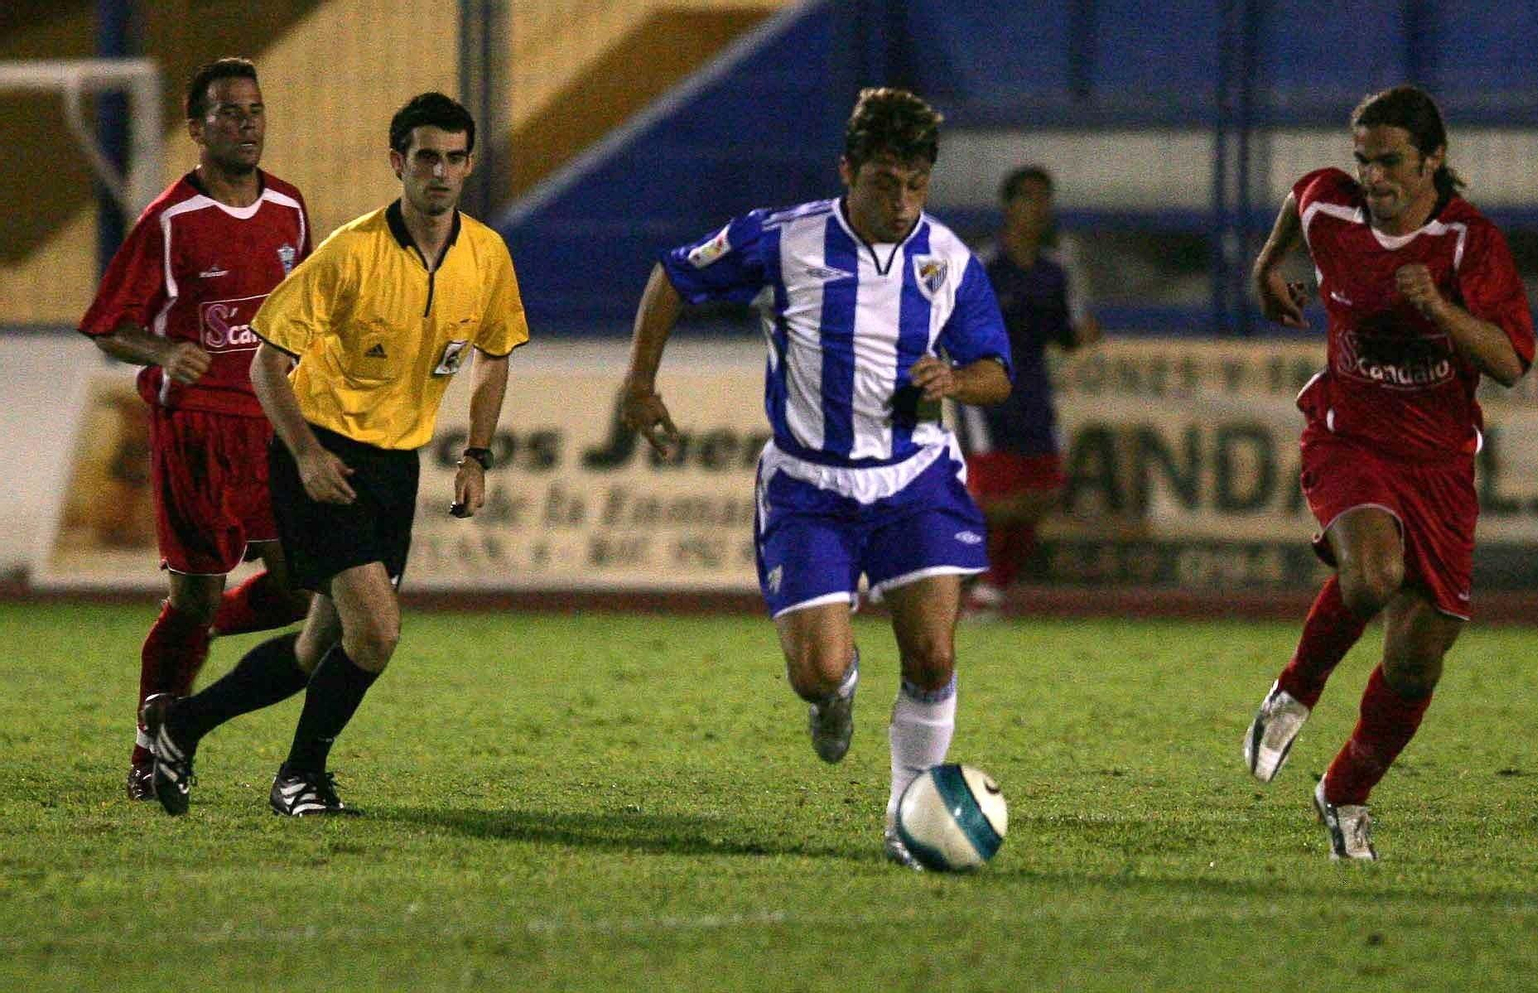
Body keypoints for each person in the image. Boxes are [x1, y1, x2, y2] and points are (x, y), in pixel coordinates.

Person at [620, 88, 1013, 868]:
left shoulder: (949, 260)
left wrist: (956, 383)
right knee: (817, 672)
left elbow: (998, 372)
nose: (901, 203)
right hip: (810, 488)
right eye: (884, 183)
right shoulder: (783, 240)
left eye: (916, 186)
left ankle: (908, 817)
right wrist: (639, 382)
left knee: (934, 654)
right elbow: (673, 277)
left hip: (915, 476)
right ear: (847, 171)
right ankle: (835, 693)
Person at [142, 92, 529, 816]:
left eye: (452, 158)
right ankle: (300, 775)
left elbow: (495, 354)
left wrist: (477, 454)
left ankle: (181, 724)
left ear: (469, 165)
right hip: (319, 456)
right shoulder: (351, 251)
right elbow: (266, 362)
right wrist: (307, 453)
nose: (439, 172)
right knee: (377, 631)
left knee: (316, 644)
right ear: (397, 163)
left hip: (393, 462)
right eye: (424, 157)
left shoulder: (486, 254)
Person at [1243, 85, 1534, 859]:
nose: (1372, 177)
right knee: (1371, 574)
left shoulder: (1471, 244)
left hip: (1440, 464)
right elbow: (1299, 200)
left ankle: (1343, 794)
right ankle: (1295, 689)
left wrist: (1440, 309)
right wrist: (1268, 266)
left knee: (1416, 658)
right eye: (1363, 160)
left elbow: (1508, 361)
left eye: (1391, 162)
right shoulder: (1333, 209)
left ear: (1434, 160)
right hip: (1349, 436)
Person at [77, 58, 312, 802]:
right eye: (227, 112)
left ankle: (193, 640)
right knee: (196, 596)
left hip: (273, 425)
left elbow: (303, 307)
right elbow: (105, 322)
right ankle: (152, 745)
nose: (245, 124)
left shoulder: (290, 208)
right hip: (197, 427)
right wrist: (162, 348)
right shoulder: (170, 220)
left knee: (305, 587)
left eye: (254, 110)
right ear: (197, 127)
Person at [954, 166, 1100, 617]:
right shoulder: (981, 267)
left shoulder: (1054, 271)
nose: (1040, 209)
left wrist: (1083, 335)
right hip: (987, 394)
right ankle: (952, 561)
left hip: (1034, 392)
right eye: (1031, 198)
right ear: (1008, 206)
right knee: (993, 493)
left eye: (1045, 199)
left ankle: (987, 581)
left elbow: (1064, 334)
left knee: (1046, 489)